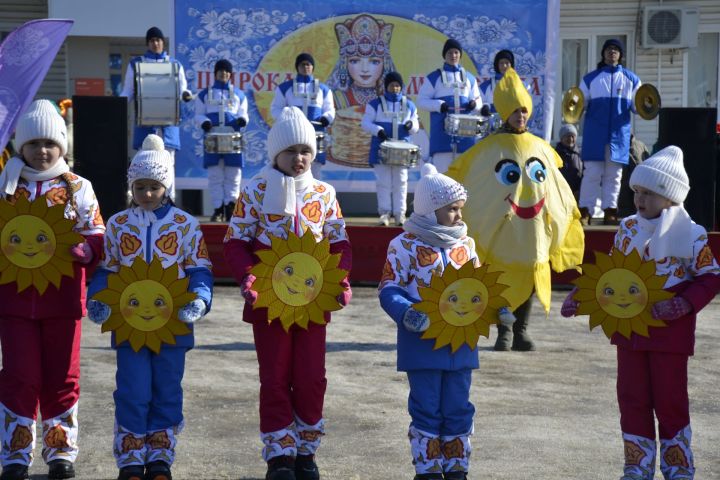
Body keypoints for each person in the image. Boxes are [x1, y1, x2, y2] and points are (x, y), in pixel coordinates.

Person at [562, 145, 720, 479]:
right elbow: (612, 273)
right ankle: (637, 465)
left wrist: (686, 302)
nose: (640, 199)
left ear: (670, 197)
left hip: (669, 335)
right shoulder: (628, 229)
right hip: (629, 332)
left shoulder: (691, 235)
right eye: (637, 191)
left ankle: (678, 467)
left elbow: (710, 277)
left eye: (649, 193)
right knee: (632, 399)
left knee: (670, 401)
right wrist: (582, 295)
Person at [223, 107, 352, 480]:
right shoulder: (256, 189)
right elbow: (235, 242)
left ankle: (306, 452)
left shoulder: (324, 193)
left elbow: (340, 243)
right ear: (274, 153)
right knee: (275, 376)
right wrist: (249, 278)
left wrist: (340, 281)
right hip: (269, 304)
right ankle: (280, 454)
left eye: (305, 151)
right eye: (291, 151)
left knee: (311, 377)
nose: (299, 158)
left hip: (312, 304)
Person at [86, 134, 213, 480]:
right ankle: (130, 457)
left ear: (166, 186)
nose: (146, 194)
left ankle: (160, 456)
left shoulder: (186, 225)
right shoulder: (118, 224)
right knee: (132, 389)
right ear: (131, 186)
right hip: (129, 324)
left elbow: (199, 267)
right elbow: (107, 268)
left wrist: (200, 299)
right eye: (139, 187)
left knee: (167, 390)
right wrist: (97, 298)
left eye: (154, 187)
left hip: (173, 324)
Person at [0, 100, 105, 480]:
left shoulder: (78, 187)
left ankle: (61, 452)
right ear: (20, 146)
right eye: (33, 143)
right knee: (19, 376)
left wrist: (89, 249)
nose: (42, 151)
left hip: (62, 299)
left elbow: (98, 232)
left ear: (62, 144)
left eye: (50, 143)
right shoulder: (5, 185)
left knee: (63, 377)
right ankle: (15, 453)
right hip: (13, 302)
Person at [379, 164, 503, 480]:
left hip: (461, 344)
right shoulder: (403, 245)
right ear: (431, 210)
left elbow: (479, 288)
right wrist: (406, 312)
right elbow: (389, 288)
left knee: (459, 406)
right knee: (426, 406)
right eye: (452, 210)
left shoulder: (465, 244)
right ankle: (429, 467)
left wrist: (496, 309)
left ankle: (457, 465)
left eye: (460, 209)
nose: (459, 216)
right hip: (422, 343)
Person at [447, 68, 584, 351]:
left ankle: (521, 329)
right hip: (503, 227)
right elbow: (472, 178)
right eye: (515, 111)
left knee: (530, 273)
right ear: (505, 113)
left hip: (533, 226)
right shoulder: (490, 147)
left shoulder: (539, 146)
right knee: (500, 277)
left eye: (524, 111)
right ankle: (504, 331)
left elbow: (555, 185)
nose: (521, 116)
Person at [120, 26, 192, 201]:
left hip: (168, 124)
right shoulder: (136, 64)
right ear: (148, 43)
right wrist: (116, 106)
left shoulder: (174, 64)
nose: (155, 43)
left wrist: (186, 95)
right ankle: (139, 199)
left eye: (158, 40)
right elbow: (127, 91)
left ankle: (169, 199)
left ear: (163, 43)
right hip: (145, 123)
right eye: (152, 40)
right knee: (143, 160)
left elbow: (183, 89)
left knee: (168, 162)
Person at [577, 38, 642, 226]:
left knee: (614, 176)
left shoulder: (632, 79)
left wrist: (647, 105)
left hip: (619, 136)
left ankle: (610, 211)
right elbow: (579, 105)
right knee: (592, 174)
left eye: (615, 50)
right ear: (603, 54)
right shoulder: (590, 79)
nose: (612, 52)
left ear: (620, 55)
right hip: (594, 135)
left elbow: (639, 108)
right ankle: (585, 211)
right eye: (608, 49)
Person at [326, 14, 397, 168]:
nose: (365, 69)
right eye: (355, 60)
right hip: (341, 164)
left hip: (386, 160)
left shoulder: (396, 101)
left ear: (384, 64)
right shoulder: (335, 99)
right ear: (345, 64)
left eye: (374, 61)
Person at [361, 71, 419, 227]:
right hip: (382, 149)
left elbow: (416, 124)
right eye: (392, 85)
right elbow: (365, 123)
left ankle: (400, 215)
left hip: (402, 151)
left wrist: (411, 125)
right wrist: (377, 130)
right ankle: (384, 214)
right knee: (383, 182)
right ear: (387, 86)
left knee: (401, 182)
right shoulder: (375, 104)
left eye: (398, 85)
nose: (395, 88)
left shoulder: (409, 105)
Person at [194, 59, 249, 222]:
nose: (223, 73)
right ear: (215, 73)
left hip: (232, 137)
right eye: (220, 70)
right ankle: (218, 209)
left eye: (226, 71)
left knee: (233, 174)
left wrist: (242, 120)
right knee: (215, 175)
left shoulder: (239, 94)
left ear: (230, 74)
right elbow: (198, 114)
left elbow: (244, 113)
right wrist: (203, 121)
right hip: (213, 137)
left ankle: (231, 207)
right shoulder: (204, 94)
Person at [417, 38, 483, 174]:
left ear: (460, 55)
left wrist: (474, 104)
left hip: (465, 138)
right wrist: (438, 105)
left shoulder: (470, 78)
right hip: (442, 137)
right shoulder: (434, 77)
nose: (453, 56)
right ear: (444, 56)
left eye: (456, 52)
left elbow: (478, 101)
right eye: (449, 53)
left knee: (464, 177)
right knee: (442, 177)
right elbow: (421, 101)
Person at [270, 53, 335, 178]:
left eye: (308, 64)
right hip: (293, 134)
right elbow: (276, 109)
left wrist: (326, 118)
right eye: (302, 64)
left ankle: (313, 196)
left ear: (313, 67)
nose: (306, 67)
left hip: (316, 133)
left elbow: (330, 109)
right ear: (297, 67)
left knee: (315, 167)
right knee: (293, 166)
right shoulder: (285, 88)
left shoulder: (323, 89)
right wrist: (286, 119)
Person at [479, 49, 514, 114]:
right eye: (501, 63)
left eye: (507, 63)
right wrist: (485, 107)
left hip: (513, 122)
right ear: (496, 65)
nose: (504, 66)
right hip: (493, 122)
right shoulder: (485, 86)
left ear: (511, 64)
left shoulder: (521, 85)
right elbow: (479, 105)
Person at [555, 123, 583, 201]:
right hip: (560, 194)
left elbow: (584, 173)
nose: (570, 139)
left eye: (572, 136)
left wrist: (579, 190)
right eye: (567, 136)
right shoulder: (555, 154)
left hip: (577, 194)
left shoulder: (580, 154)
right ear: (561, 138)